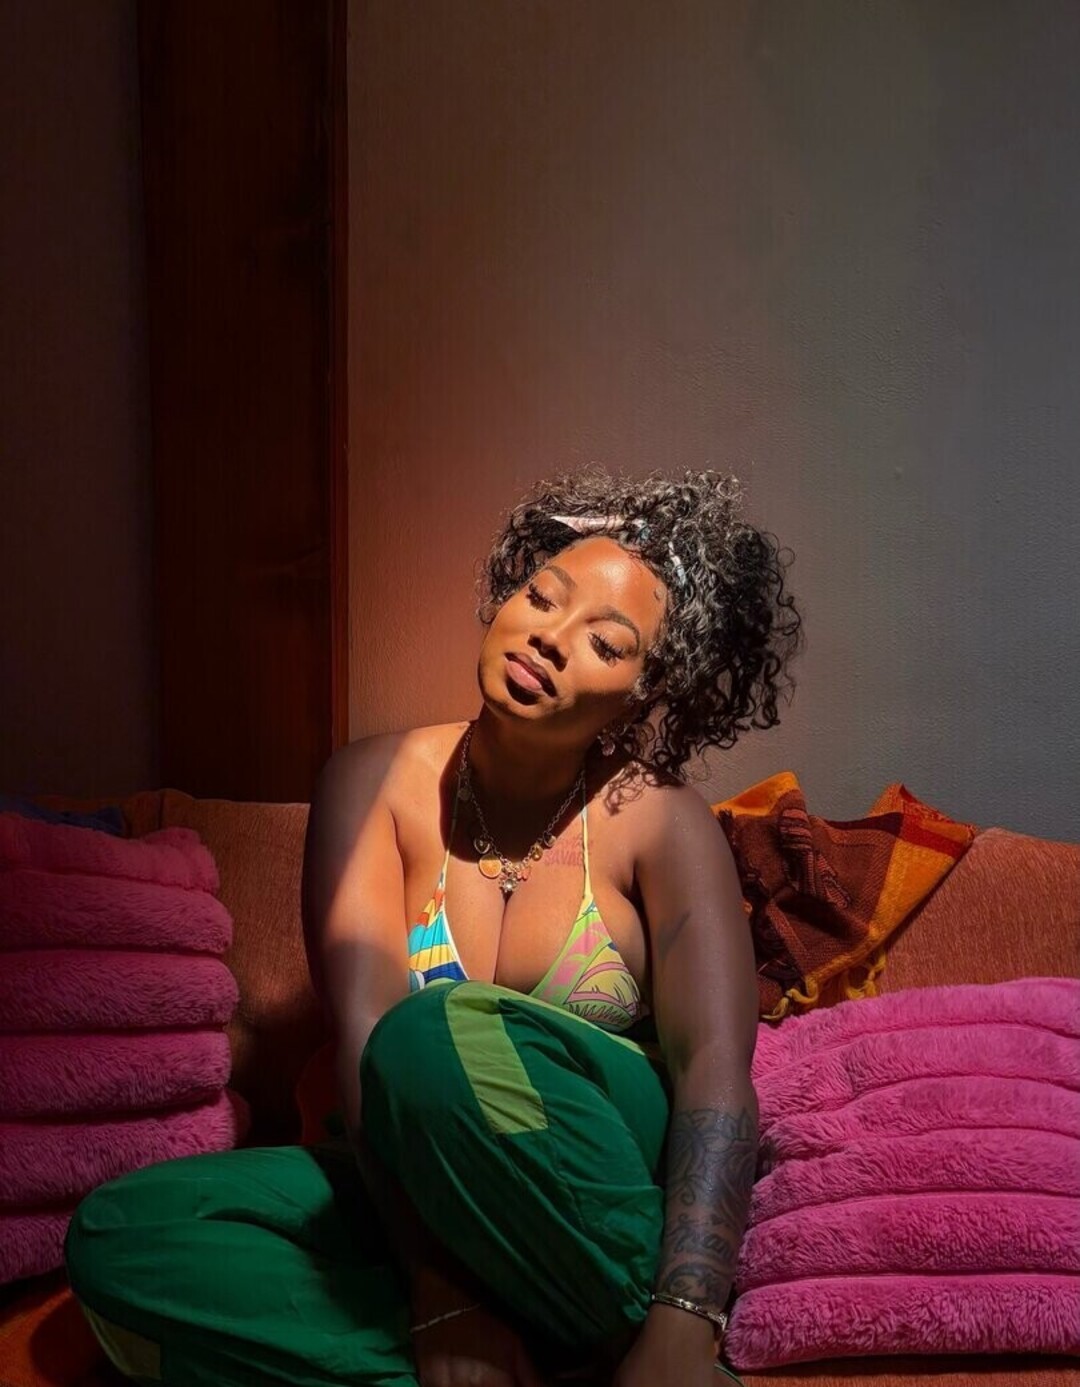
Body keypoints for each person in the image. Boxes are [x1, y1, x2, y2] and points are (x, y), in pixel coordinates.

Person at [64, 468, 802, 1387]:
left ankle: (646, 1349)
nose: (549, 635)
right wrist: (442, 1292)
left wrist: (686, 1316)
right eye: (542, 597)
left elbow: (714, 1080)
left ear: (647, 695)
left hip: (595, 1196)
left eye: (605, 641)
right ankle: (534, 1363)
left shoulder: (661, 820)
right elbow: (364, 1054)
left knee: (436, 1029)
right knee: (120, 1236)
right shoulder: (371, 784)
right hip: (421, 1190)